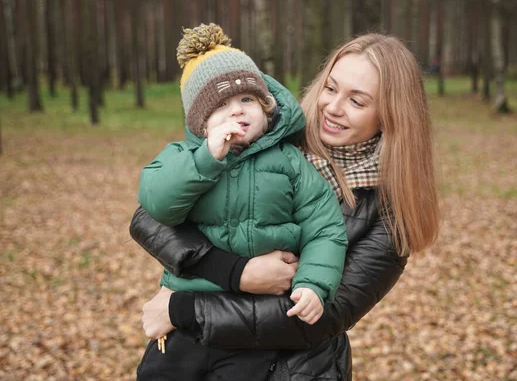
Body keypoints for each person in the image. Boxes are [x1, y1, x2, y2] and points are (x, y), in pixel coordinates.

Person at [131, 32, 440, 380]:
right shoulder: (267, 135)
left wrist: (184, 309)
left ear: (390, 116)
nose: (333, 107)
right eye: (331, 88)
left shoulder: (391, 216)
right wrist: (233, 271)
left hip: (295, 369)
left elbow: (319, 318)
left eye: (357, 101)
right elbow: (149, 217)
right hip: (193, 355)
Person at [136, 23, 347, 380]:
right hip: (183, 319)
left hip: (250, 322)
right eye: (220, 105)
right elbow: (157, 204)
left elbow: (325, 228)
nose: (237, 111)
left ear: (267, 109)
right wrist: (206, 158)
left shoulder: (291, 163)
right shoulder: (185, 156)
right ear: (201, 124)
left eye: (247, 100)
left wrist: (313, 283)